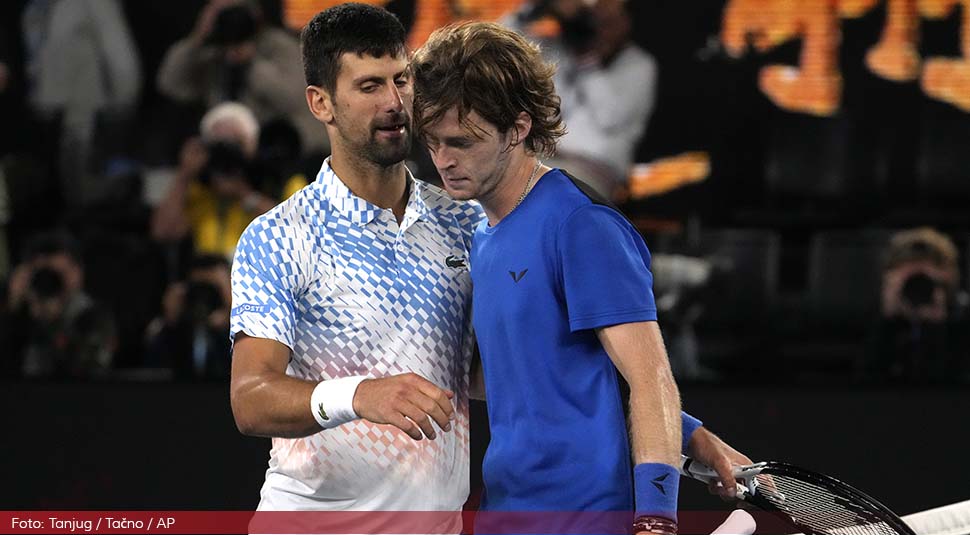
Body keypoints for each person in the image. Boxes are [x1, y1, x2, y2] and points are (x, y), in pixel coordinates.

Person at [412, 21, 748, 533]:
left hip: (588, 518)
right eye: (433, 142)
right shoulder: (481, 236)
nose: (443, 160)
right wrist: (691, 436)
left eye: (461, 142)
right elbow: (541, 377)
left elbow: (650, 378)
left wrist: (656, 519)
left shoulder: (581, 224)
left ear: (518, 128)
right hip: (505, 513)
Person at [227, 3, 483, 522]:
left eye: (401, 80)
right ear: (320, 103)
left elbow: (489, 375)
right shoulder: (279, 237)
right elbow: (250, 399)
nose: (395, 103)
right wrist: (359, 395)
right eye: (369, 86)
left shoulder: (466, 222)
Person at [504, 0, 657, 199]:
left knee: (539, 197)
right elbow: (502, 47)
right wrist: (531, 9)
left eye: (608, 21)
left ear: (626, 22)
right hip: (540, 158)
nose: (600, 27)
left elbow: (609, 118)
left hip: (591, 170)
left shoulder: (640, 65)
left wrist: (587, 60)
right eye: (594, 19)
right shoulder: (562, 49)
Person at [157, 0, 327, 156]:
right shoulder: (213, 53)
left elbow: (297, 99)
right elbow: (170, 84)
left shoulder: (279, 47)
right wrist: (197, 37)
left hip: (275, 151)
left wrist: (252, 64)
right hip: (223, 149)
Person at [863, 227, 970, 384]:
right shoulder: (866, 318)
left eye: (926, 280)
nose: (919, 287)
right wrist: (887, 321)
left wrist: (938, 325)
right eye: (912, 279)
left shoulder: (963, 321)